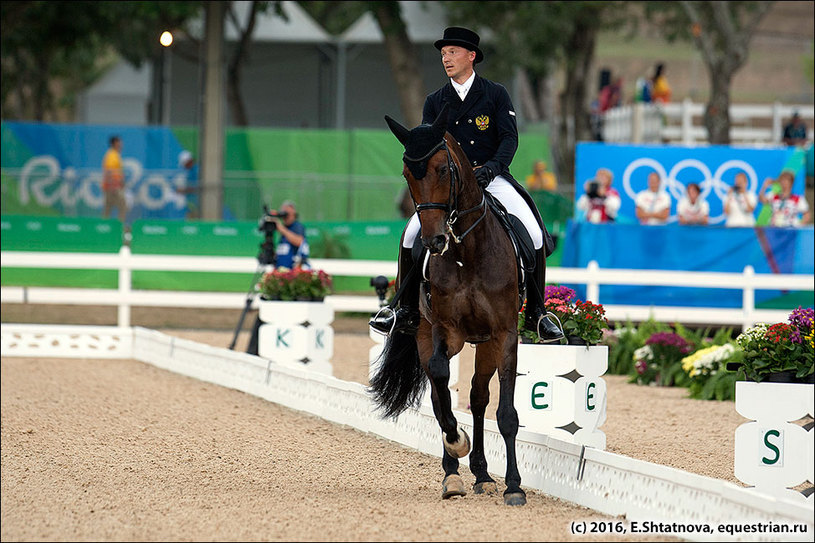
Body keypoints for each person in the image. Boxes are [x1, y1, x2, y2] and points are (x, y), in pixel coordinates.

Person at [369, 26, 563, 343]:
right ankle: (403, 309)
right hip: (449, 185)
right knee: (411, 235)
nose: (447, 59)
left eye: (453, 52)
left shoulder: (495, 94)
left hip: (492, 177)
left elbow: (509, 139)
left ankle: (537, 313)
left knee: (531, 230)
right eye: (444, 53)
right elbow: (430, 146)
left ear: (471, 56)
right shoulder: (435, 101)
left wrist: (490, 169)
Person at [270, 200, 309, 269]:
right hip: (281, 270)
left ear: (294, 213)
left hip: (293, 271)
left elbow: (300, 242)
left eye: (287, 213)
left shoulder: (297, 226)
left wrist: (281, 229)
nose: (285, 217)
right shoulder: (284, 230)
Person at [101, 135, 126, 220]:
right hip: (113, 187)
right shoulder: (112, 155)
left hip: (112, 186)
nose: (121, 144)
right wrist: (113, 185)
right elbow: (109, 171)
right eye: (119, 142)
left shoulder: (115, 155)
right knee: (123, 205)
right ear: (114, 143)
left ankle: (104, 226)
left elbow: (117, 172)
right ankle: (118, 226)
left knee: (108, 208)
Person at [175, 150, 200, 219]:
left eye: (184, 163)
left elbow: (198, 187)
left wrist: (183, 190)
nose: (184, 166)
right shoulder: (189, 170)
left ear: (189, 161)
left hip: (198, 202)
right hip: (191, 203)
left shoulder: (197, 170)